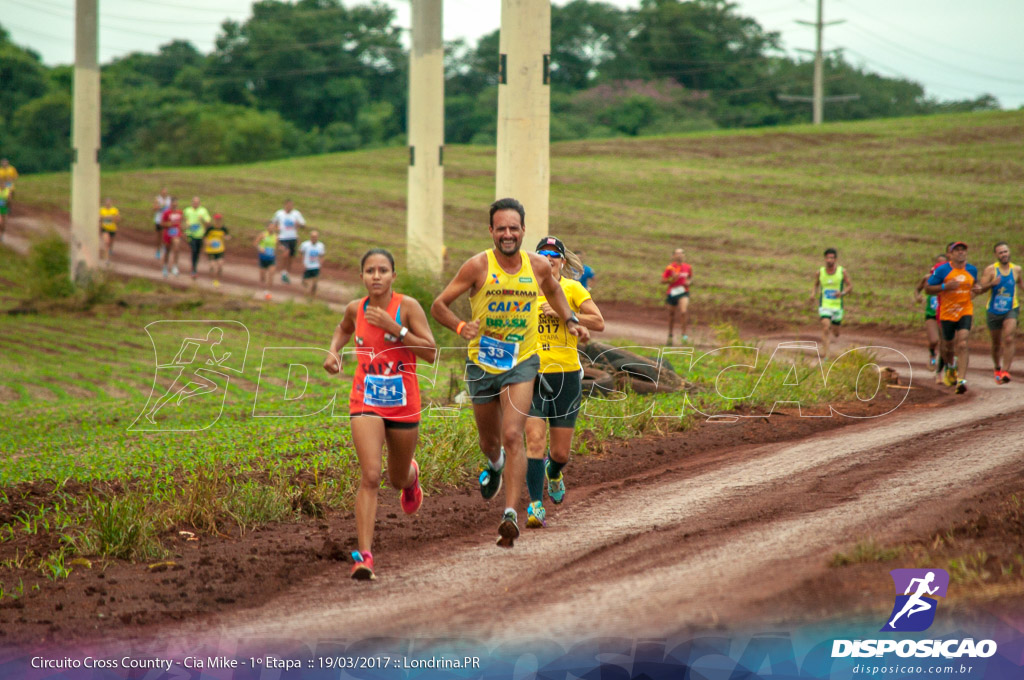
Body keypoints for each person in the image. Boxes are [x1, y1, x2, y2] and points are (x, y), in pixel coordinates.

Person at [430, 198, 589, 548]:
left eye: (513, 228)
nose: (507, 234)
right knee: (491, 442)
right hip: (483, 363)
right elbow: (438, 305)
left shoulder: (538, 266)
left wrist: (572, 320)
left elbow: (555, 293)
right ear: (491, 231)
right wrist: (459, 327)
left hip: (523, 362)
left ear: (522, 231)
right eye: (500, 228)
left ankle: (510, 515)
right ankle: (496, 464)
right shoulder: (476, 267)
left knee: (514, 434)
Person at [323, 248, 437, 580]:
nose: (376, 276)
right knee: (370, 475)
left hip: (403, 402)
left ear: (393, 277)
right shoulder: (354, 309)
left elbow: (430, 352)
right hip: (366, 400)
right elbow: (343, 329)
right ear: (362, 277)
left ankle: (411, 479)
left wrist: (396, 328)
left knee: (395, 477)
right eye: (370, 270)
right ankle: (364, 556)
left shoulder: (408, 307)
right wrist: (333, 352)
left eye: (383, 270)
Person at [524, 236, 604, 528]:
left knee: (560, 453)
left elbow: (598, 322)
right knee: (534, 440)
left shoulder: (572, 288)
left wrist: (564, 313)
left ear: (562, 260)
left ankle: (554, 472)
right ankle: (535, 505)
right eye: (542, 254)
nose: (548, 258)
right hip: (531, 374)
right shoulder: (526, 290)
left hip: (567, 375)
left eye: (553, 254)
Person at [925, 242, 980, 394]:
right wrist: (944, 287)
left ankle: (961, 380)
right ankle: (950, 367)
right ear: (951, 253)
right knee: (948, 347)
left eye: (963, 250)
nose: (961, 253)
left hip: (965, 310)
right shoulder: (942, 270)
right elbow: (927, 289)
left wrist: (976, 291)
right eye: (957, 250)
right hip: (947, 312)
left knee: (962, 343)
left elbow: (975, 286)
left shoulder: (972, 269)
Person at [976, 241, 1022, 384]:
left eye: (1006, 251)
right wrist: (991, 284)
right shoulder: (990, 270)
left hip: (1011, 308)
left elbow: (1020, 283)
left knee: (1009, 338)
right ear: (996, 255)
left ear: (1009, 252)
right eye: (1001, 252)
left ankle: (1005, 371)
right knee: (996, 343)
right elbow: (981, 289)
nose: (1004, 254)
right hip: (994, 310)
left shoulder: (1016, 269)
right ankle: (997, 367)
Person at [810, 247, 853, 357]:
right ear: (825, 259)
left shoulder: (841, 272)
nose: (830, 260)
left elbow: (850, 287)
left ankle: (836, 329)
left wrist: (842, 293)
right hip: (825, 304)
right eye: (828, 258)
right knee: (825, 327)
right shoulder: (820, 272)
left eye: (832, 258)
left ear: (835, 259)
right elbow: (816, 284)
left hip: (837, 306)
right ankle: (826, 354)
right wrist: (813, 294)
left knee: (836, 333)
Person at [914, 253, 948, 373]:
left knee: (946, 342)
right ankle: (932, 354)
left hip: (945, 315)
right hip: (931, 314)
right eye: (938, 264)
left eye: (943, 264)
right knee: (934, 340)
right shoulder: (928, 278)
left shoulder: (949, 279)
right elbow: (918, 289)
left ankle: (945, 367)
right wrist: (918, 297)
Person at [662, 248, 693, 345]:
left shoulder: (688, 267)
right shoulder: (670, 268)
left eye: (681, 253)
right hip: (672, 292)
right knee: (671, 315)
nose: (679, 255)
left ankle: (684, 335)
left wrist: (689, 282)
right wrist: (672, 279)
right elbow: (663, 281)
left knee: (683, 312)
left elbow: (690, 278)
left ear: (684, 255)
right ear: (673, 256)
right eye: (677, 253)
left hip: (683, 292)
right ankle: (670, 335)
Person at [272, 199, 306, 284]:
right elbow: (273, 224)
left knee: (291, 257)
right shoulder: (279, 214)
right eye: (289, 205)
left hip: (293, 237)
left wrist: (299, 225)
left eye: (291, 205)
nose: (290, 207)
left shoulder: (296, 214)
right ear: (285, 205)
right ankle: (283, 271)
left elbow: (303, 224)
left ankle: (286, 273)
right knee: (286, 254)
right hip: (283, 237)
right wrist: (276, 231)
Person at [183, 196, 212, 280]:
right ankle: (194, 269)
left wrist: (203, 220)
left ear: (199, 203)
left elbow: (208, 223)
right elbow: (183, 220)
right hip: (190, 235)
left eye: (197, 202)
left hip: (200, 235)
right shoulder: (187, 210)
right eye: (194, 202)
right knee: (194, 250)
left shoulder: (203, 211)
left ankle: (194, 266)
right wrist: (184, 229)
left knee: (197, 252)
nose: (195, 204)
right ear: (191, 202)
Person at [203, 213, 230, 287]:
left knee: (220, 264)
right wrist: (208, 242)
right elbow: (204, 237)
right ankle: (214, 279)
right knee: (213, 265)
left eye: (219, 219)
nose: (218, 221)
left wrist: (227, 237)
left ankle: (217, 278)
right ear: (214, 220)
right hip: (210, 250)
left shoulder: (223, 228)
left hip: (219, 249)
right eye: (217, 219)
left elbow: (227, 235)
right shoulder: (210, 228)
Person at [160, 197, 184, 277]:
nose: (175, 205)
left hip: (176, 233)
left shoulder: (180, 212)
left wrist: (184, 228)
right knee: (167, 251)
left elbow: (181, 222)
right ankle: (165, 267)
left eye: (176, 204)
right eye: (173, 204)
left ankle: (175, 266)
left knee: (177, 247)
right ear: (171, 204)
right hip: (168, 233)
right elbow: (162, 223)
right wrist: (168, 224)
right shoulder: (166, 213)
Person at [254, 221, 279, 300]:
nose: (271, 228)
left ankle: (268, 292)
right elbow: (255, 243)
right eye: (270, 226)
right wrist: (260, 248)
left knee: (271, 275)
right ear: (267, 227)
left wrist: (277, 251)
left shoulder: (276, 237)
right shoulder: (263, 235)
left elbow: (276, 247)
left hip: (271, 258)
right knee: (262, 277)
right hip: (263, 258)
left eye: (273, 227)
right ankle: (263, 289)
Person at [299, 230, 326, 298]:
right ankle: (307, 293)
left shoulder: (320, 245)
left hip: (316, 266)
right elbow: (301, 252)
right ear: (310, 237)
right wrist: (302, 262)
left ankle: (312, 296)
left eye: (315, 237)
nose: (314, 238)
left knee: (315, 282)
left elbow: (322, 255)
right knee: (305, 281)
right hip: (307, 266)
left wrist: (321, 264)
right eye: (313, 237)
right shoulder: (305, 245)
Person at [99, 197, 120, 262]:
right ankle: (106, 259)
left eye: (109, 203)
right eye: (106, 203)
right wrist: (100, 220)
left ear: (111, 203)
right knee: (106, 242)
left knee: (111, 243)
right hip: (105, 229)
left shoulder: (114, 210)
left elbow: (118, 219)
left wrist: (114, 218)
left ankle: (110, 250)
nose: (107, 204)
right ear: (104, 203)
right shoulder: (101, 210)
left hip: (112, 229)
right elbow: (99, 219)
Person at [152, 187, 171, 259]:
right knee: (159, 236)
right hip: (158, 219)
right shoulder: (157, 199)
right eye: (163, 192)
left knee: (164, 235)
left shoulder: (169, 199)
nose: (164, 193)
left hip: (166, 220)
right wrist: (161, 206)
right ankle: (158, 250)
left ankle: (163, 246)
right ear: (161, 192)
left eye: (165, 192)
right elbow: (154, 208)